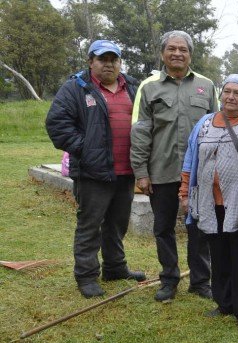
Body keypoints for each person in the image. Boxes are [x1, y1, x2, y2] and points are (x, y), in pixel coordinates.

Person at [46, 40, 146, 298]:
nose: (109, 64)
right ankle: (87, 276)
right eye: (103, 59)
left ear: (120, 62)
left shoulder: (133, 87)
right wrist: (88, 150)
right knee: (90, 226)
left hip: (126, 172)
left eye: (114, 59)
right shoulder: (76, 88)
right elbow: (57, 124)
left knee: (117, 224)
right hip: (93, 172)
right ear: (91, 62)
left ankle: (114, 267)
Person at [130, 30, 218, 302]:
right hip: (162, 171)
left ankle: (201, 280)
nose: (177, 53)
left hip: (199, 174)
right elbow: (141, 131)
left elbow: (217, 129)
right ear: (162, 53)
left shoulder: (207, 86)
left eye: (183, 49)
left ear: (191, 54)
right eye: (172, 48)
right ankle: (169, 279)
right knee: (163, 228)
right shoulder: (149, 87)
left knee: (200, 228)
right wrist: (141, 173)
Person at [179, 74, 238, 333]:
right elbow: (190, 159)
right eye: (227, 91)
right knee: (218, 256)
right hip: (208, 201)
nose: (230, 96)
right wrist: (185, 191)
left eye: (237, 93)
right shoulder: (205, 122)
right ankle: (224, 303)